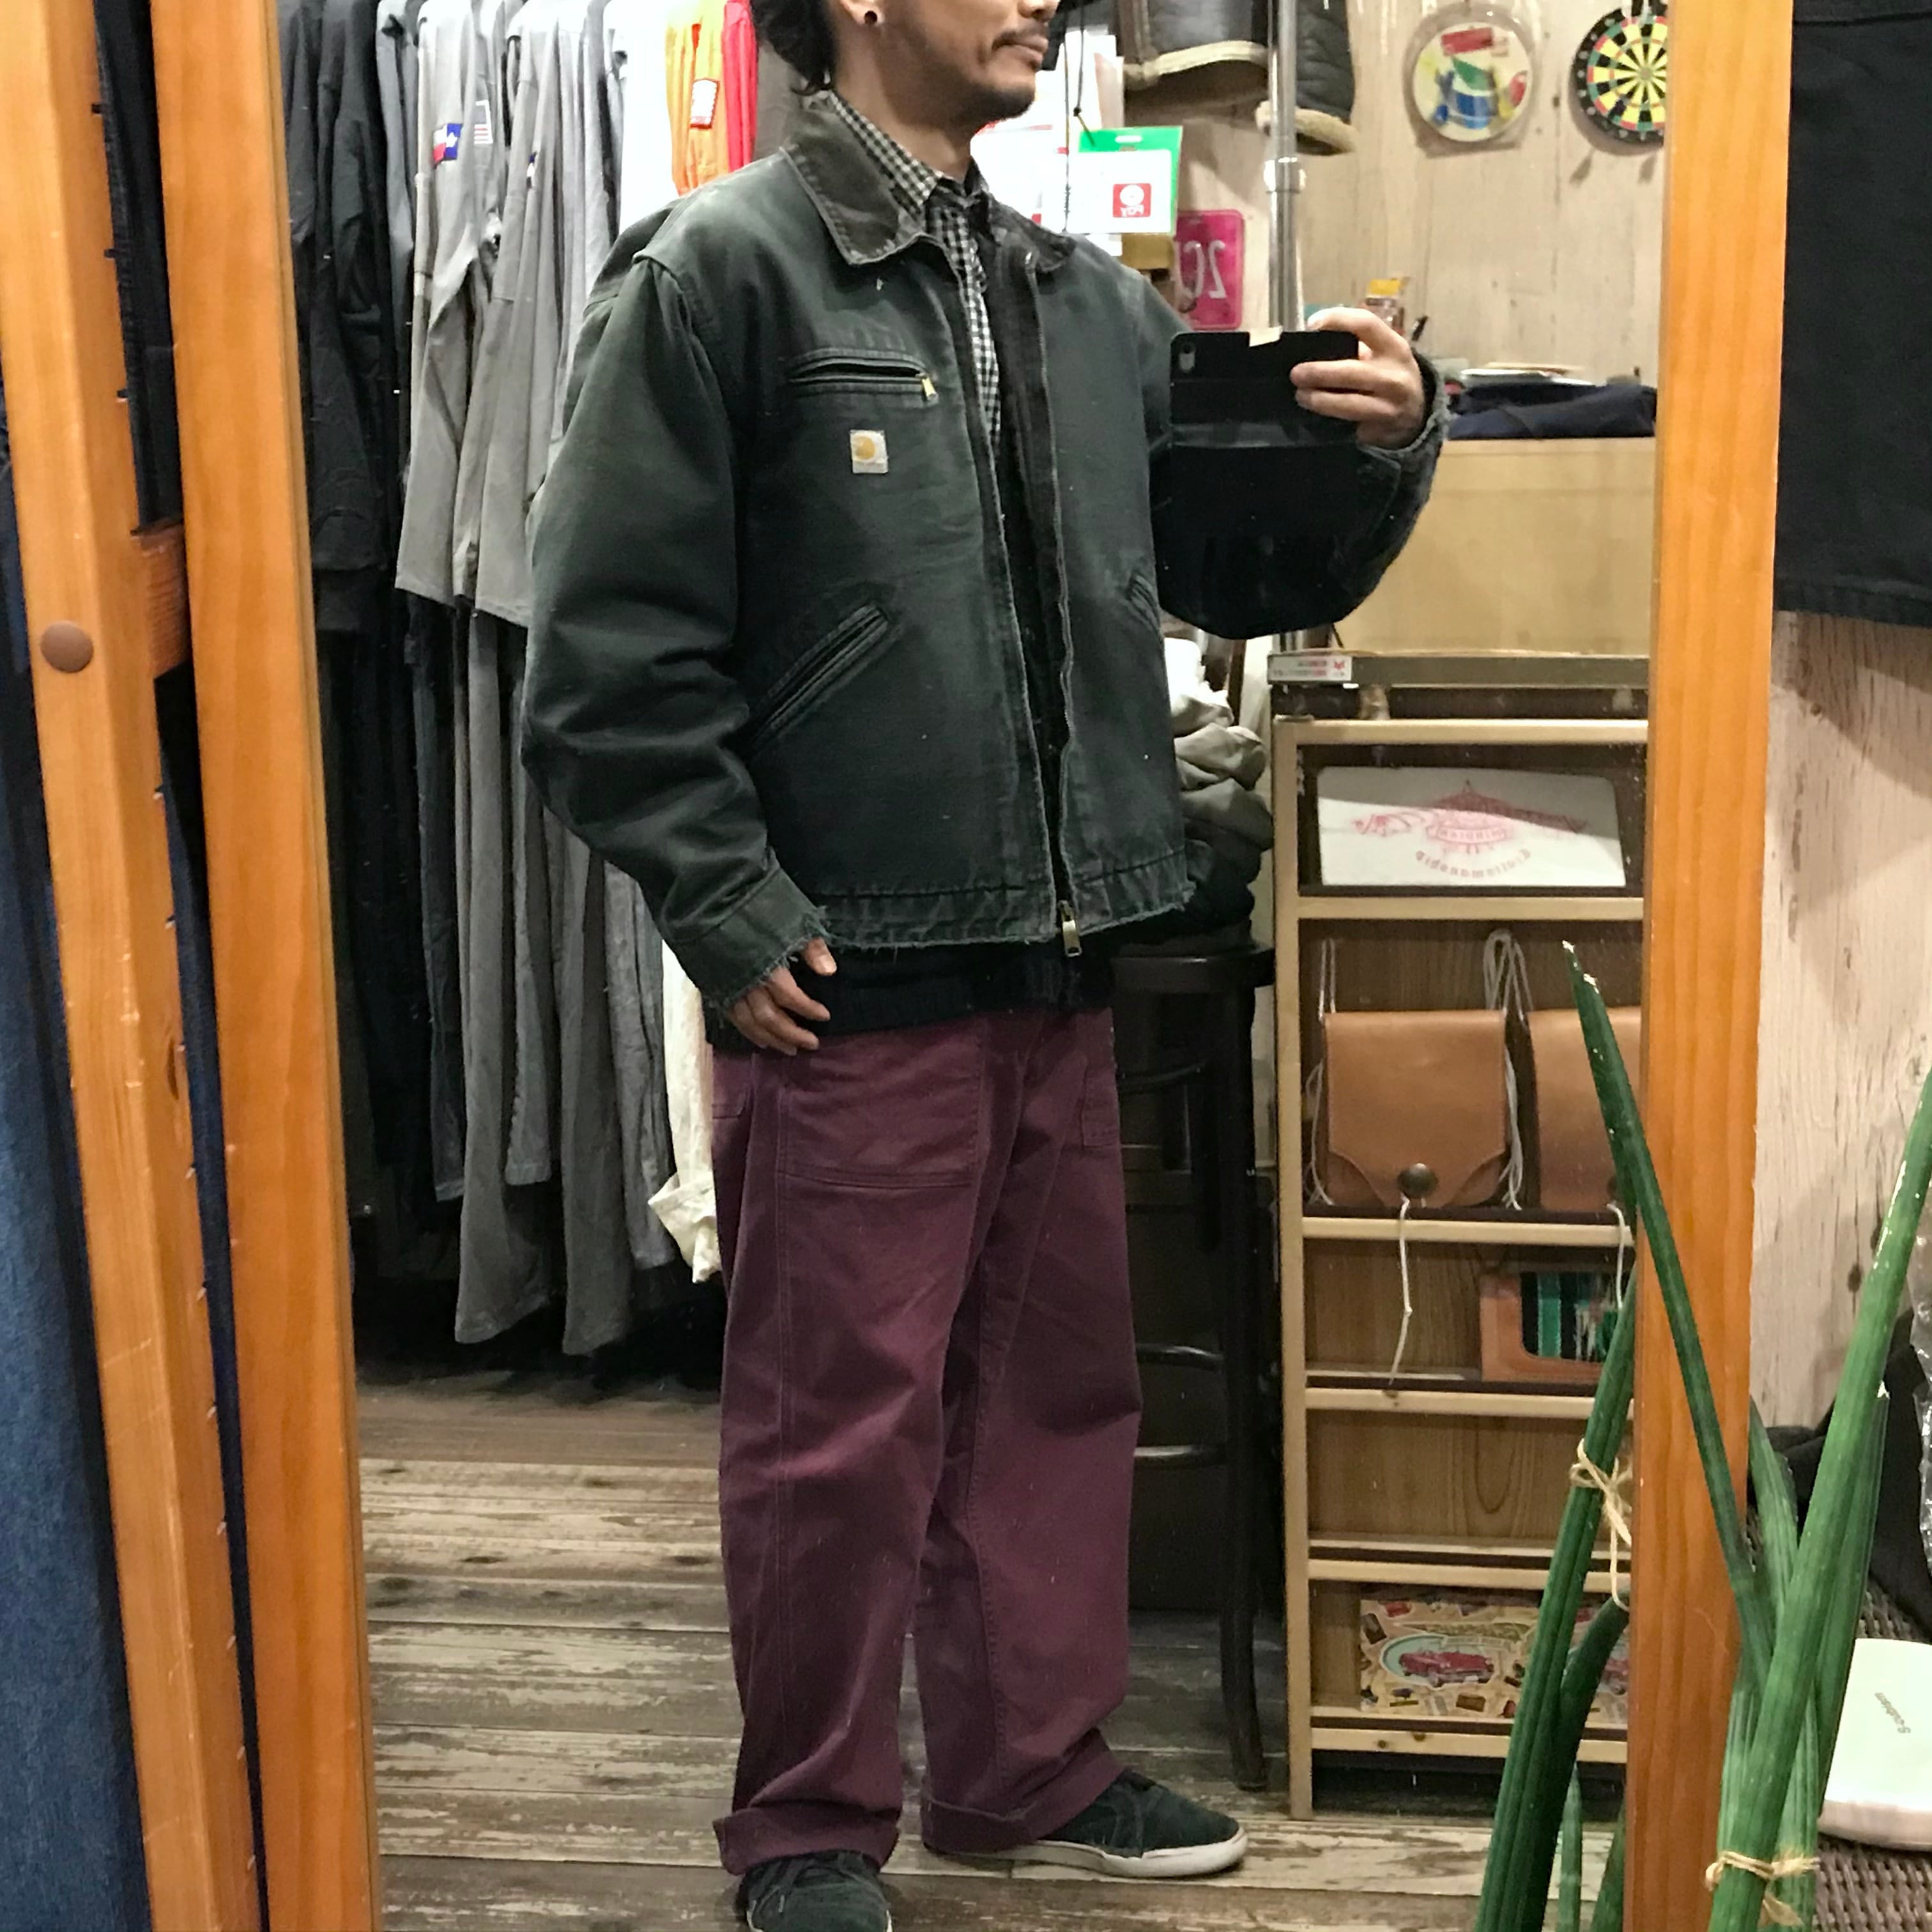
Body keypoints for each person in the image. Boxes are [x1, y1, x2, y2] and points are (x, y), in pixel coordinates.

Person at [524, 2, 1441, 1925]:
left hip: (1064, 955)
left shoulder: (1081, 303)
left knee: (1051, 1403)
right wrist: (727, 902)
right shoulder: (720, 276)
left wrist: (1385, 446)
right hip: (851, 969)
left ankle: (1026, 1771)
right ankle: (806, 1824)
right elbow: (609, 656)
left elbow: (1238, 573)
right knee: (834, 1435)